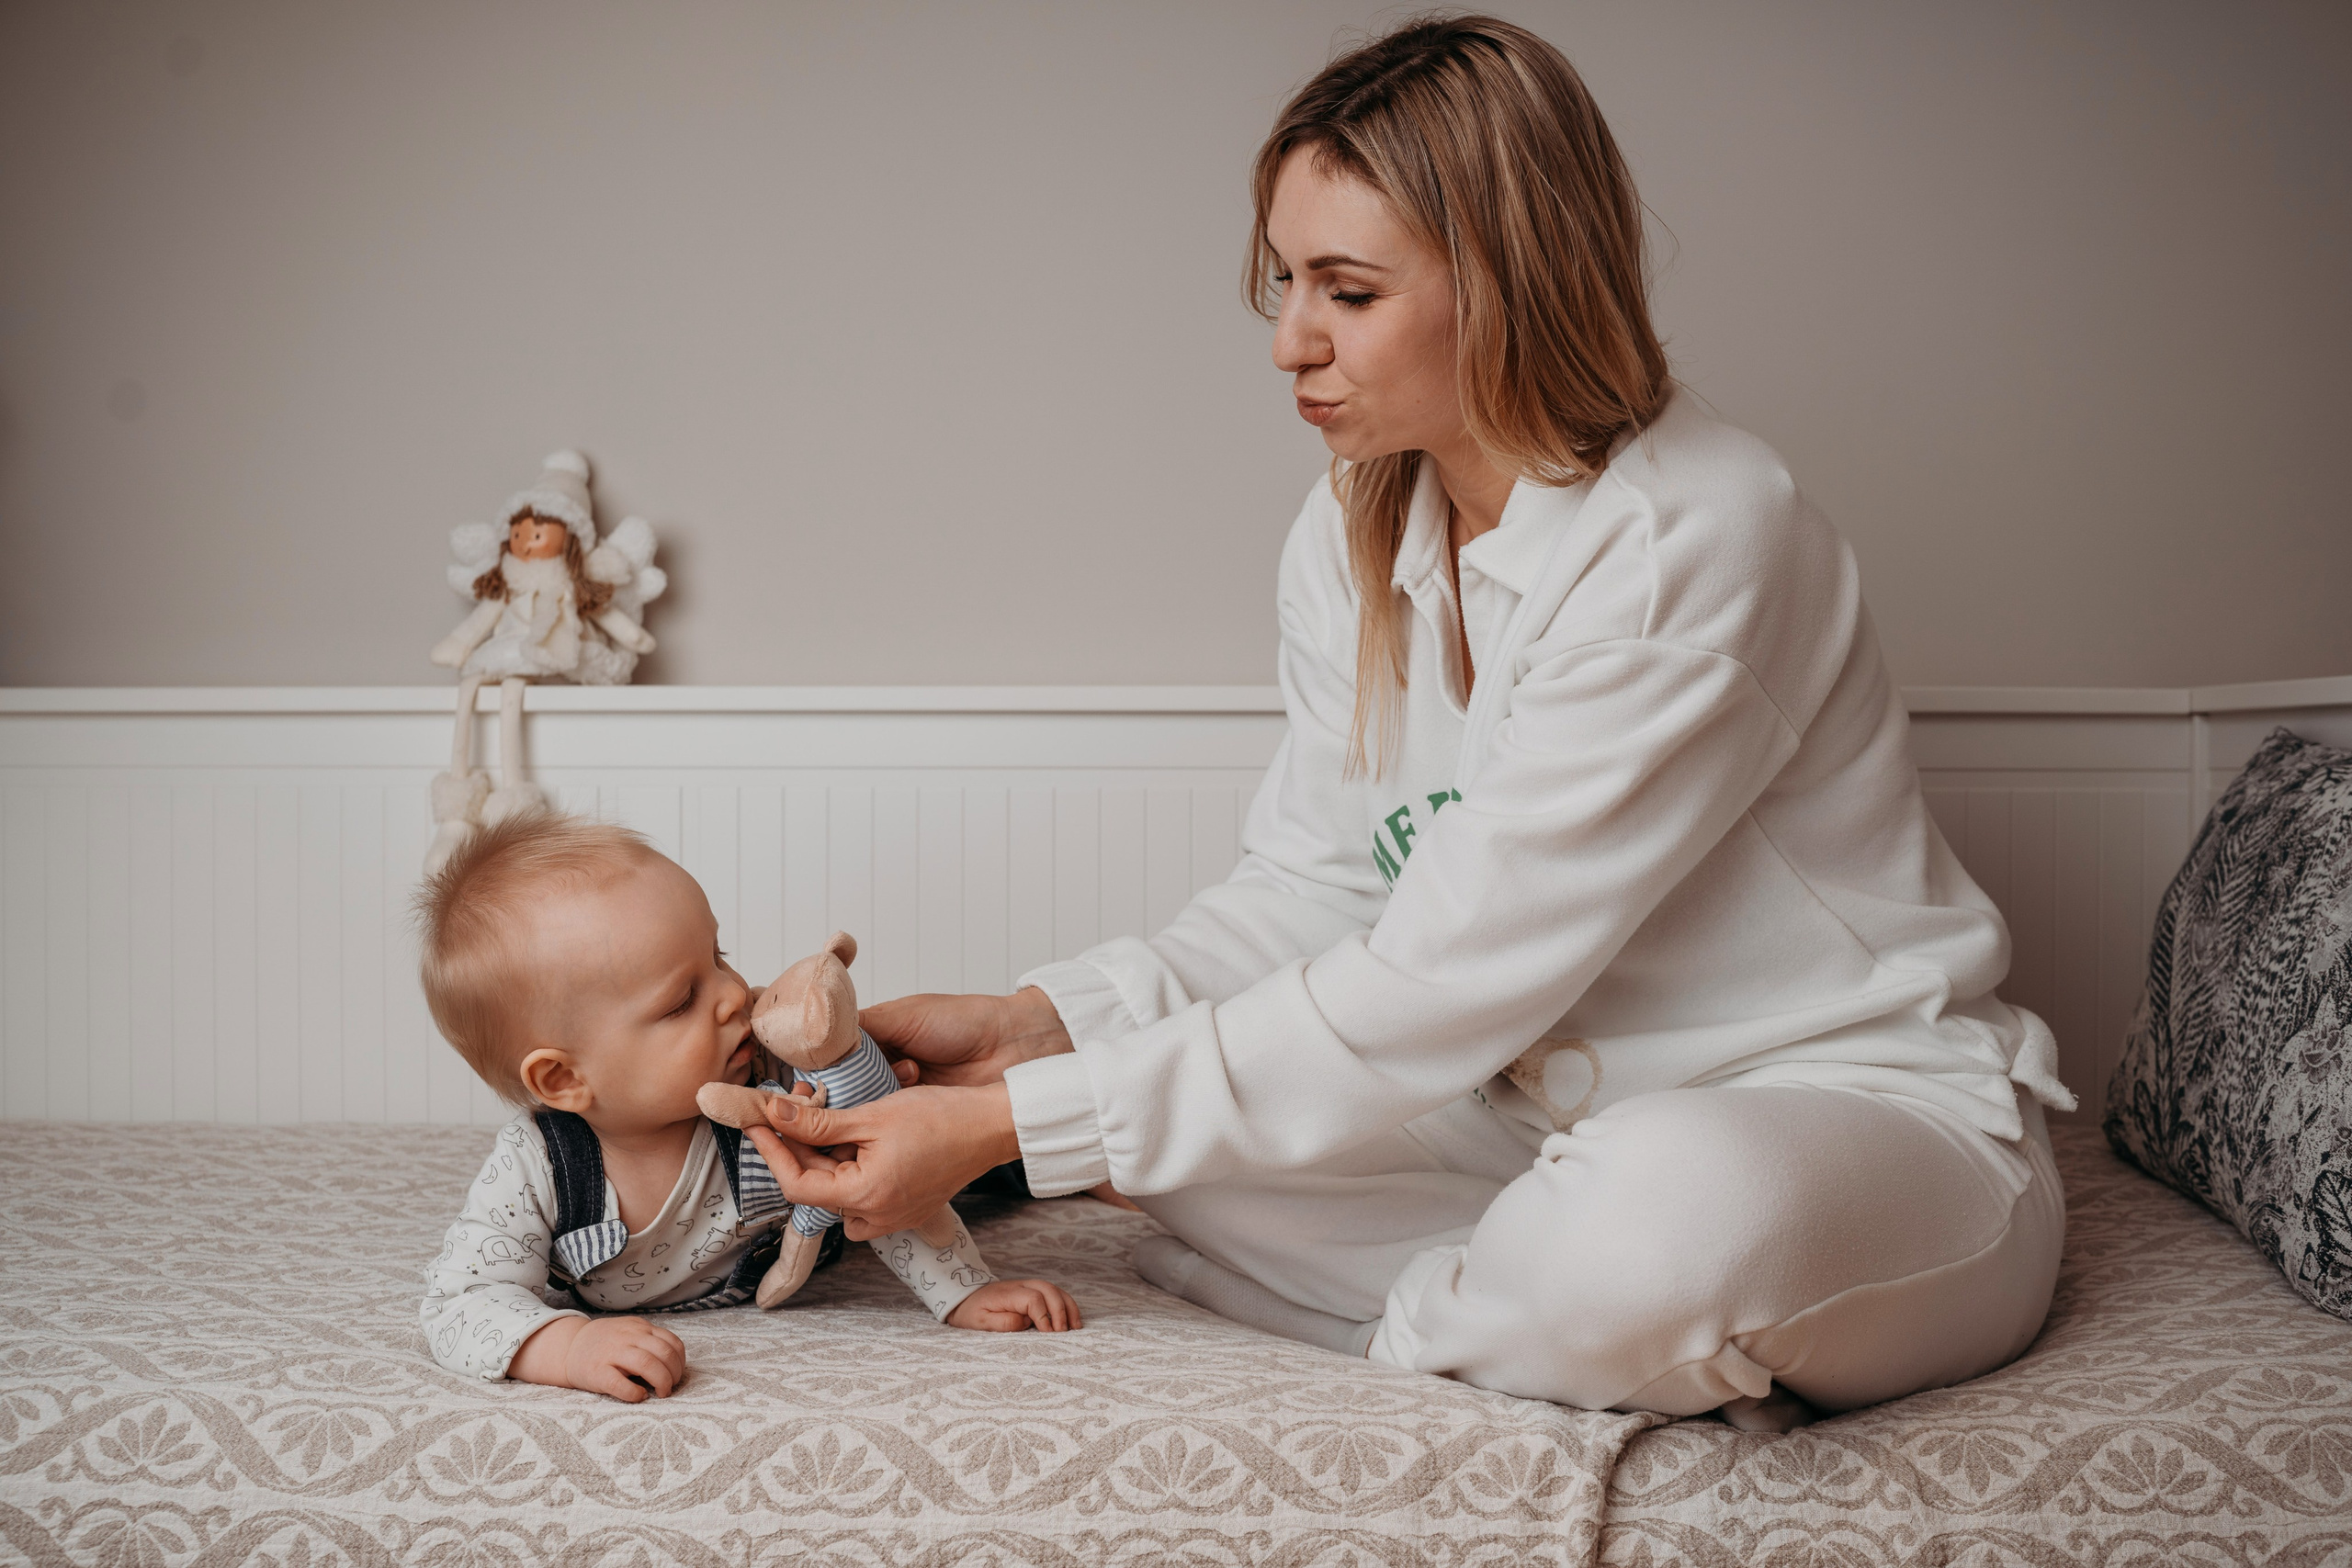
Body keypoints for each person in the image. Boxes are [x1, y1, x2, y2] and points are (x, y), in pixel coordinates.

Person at [739, 14, 2072, 1428]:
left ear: (1504, 283)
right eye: (1283, 280)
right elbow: (1317, 885)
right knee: (1171, 1119)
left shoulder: (1696, 535)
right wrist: (1047, 1022)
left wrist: (1011, 1123)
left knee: (1652, 1228)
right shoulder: (1354, 520)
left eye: (1347, 291)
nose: (1287, 341)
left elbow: (1441, 983)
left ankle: (1462, 1320)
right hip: (1519, 1125)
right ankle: (1540, 1313)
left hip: (1855, 1122)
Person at [413, 813, 1080, 1403]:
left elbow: (879, 1181)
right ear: (562, 1078)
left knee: (964, 1147)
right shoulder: (540, 1169)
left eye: (718, 955)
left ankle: (1075, 1145)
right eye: (681, 1000)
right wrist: (565, 1348)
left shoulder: (774, 1082)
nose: (734, 994)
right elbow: (461, 1300)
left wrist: (963, 1289)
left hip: (844, 1223)